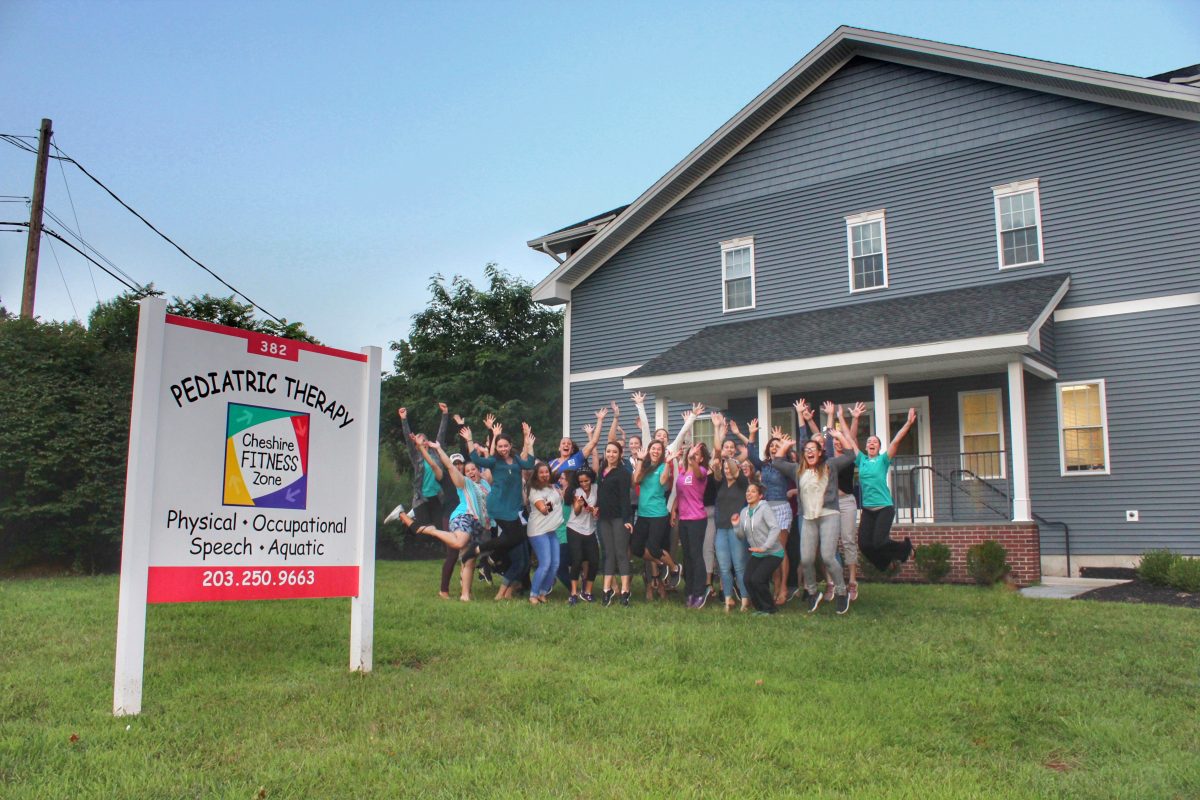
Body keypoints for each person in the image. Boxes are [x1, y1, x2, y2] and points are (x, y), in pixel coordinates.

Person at [772, 426, 856, 615]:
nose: (809, 452)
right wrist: (784, 446)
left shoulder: (831, 466)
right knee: (807, 558)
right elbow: (777, 462)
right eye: (806, 450)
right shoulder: (797, 469)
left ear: (820, 452)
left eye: (813, 449)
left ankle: (842, 592)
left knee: (827, 556)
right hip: (808, 517)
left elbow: (851, 456)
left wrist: (840, 436)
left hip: (829, 514)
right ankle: (812, 592)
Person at [845, 407, 918, 573]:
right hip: (868, 510)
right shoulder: (861, 460)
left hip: (884, 508)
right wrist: (855, 418)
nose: (871, 443)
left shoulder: (883, 460)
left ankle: (907, 549)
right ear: (866, 446)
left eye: (875, 442)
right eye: (869, 441)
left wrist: (907, 424)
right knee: (864, 545)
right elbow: (850, 439)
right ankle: (885, 564)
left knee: (879, 542)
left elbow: (896, 441)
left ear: (879, 447)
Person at [461, 419, 537, 576]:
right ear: (496, 447)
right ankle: (486, 555)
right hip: (498, 504)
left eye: (506, 446)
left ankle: (487, 555)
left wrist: (529, 444)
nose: (503, 449)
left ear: (510, 446)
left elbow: (529, 463)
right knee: (516, 536)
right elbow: (476, 459)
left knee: (517, 536)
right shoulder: (494, 461)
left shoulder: (516, 459)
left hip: (512, 505)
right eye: (500, 446)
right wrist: (469, 439)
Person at [593, 412, 633, 606]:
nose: (611, 454)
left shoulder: (624, 473)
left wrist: (627, 520)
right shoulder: (602, 470)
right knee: (607, 553)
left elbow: (626, 498)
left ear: (620, 455)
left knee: (620, 554)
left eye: (614, 452)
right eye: (608, 451)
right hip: (603, 518)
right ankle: (607, 590)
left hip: (619, 518)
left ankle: (625, 591)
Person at [631, 438, 679, 599]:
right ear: (649, 450)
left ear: (662, 452)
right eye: (653, 448)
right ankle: (661, 562)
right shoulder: (644, 466)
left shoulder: (663, 467)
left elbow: (663, 481)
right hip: (643, 515)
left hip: (658, 515)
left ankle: (674, 567)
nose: (655, 451)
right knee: (636, 547)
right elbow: (636, 480)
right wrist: (639, 460)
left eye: (659, 449)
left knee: (653, 548)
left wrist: (667, 462)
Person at [732, 482, 784, 614]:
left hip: (773, 552)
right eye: (747, 491)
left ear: (760, 496)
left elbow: (775, 528)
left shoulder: (764, 509)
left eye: (753, 491)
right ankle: (760, 608)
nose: (749, 494)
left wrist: (765, 546)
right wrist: (736, 526)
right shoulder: (744, 512)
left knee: (757, 579)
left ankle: (770, 609)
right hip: (758, 553)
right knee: (747, 580)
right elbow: (741, 536)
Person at [713, 457, 751, 612]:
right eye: (725, 468)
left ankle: (745, 599)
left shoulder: (742, 483)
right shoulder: (721, 483)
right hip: (721, 528)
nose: (727, 470)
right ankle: (728, 599)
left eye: (729, 468)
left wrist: (732, 463)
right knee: (723, 567)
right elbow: (715, 473)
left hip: (736, 529)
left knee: (740, 566)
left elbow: (740, 475)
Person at [525, 462, 563, 605]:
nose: (545, 475)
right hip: (538, 531)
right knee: (545, 563)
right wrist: (554, 497)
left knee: (555, 564)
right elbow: (543, 509)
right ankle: (533, 594)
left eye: (546, 472)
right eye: (541, 472)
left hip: (551, 530)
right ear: (536, 474)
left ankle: (542, 592)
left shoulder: (551, 487)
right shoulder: (534, 490)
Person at [566, 469, 600, 604]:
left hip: (590, 529)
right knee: (577, 560)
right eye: (581, 482)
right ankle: (574, 593)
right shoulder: (577, 492)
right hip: (574, 528)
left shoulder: (596, 488)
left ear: (591, 479)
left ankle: (587, 592)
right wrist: (579, 506)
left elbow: (595, 511)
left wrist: (595, 510)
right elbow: (577, 511)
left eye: (586, 480)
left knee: (594, 560)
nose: (584, 484)